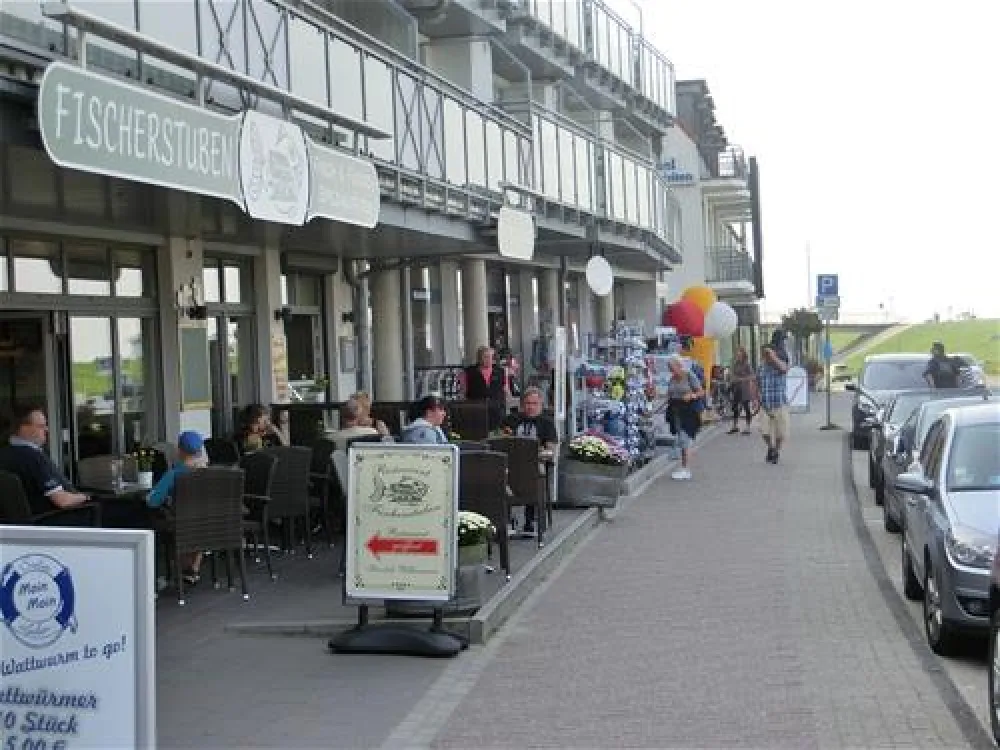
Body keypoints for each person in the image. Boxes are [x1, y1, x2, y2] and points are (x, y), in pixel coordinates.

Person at [0, 404, 90, 517]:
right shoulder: (33, 458)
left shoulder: (4, 453)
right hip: (55, 521)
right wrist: (86, 497)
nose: (46, 429)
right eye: (41, 426)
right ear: (24, 428)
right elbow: (62, 501)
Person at [147, 431, 208, 584]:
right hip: (206, 524)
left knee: (158, 521)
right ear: (200, 451)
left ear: (179, 450)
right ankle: (193, 568)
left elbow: (153, 502)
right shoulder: (209, 474)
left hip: (181, 524)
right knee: (198, 522)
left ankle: (183, 569)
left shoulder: (174, 475)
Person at [501, 387, 559, 534]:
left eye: (534, 403)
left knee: (532, 474)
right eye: (527, 403)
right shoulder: (511, 420)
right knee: (501, 474)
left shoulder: (547, 423)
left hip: (535, 464)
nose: (530, 407)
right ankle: (507, 520)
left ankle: (530, 520)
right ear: (522, 405)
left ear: (541, 404)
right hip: (511, 464)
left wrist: (542, 453)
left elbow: (551, 449)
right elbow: (501, 440)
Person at [664, 355, 705, 480]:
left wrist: (692, 395)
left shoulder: (689, 375)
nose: (671, 370)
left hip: (689, 412)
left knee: (684, 439)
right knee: (682, 439)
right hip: (676, 412)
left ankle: (685, 469)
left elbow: (701, 391)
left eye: (672, 367)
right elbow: (669, 394)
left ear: (679, 365)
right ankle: (684, 468)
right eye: (669, 368)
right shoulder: (672, 379)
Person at [757, 344, 790, 464]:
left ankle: (776, 451)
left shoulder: (781, 365)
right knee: (763, 431)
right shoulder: (761, 367)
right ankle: (771, 448)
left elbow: (784, 369)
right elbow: (757, 383)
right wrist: (756, 398)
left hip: (780, 403)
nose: (766, 357)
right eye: (765, 355)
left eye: (768, 354)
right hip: (765, 405)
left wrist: (773, 356)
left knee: (781, 433)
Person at [463, 346, 510, 431]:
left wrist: (502, 405)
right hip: (477, 409)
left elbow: (505, 389)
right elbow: (464, 391)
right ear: (479, 358)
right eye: (486, 357)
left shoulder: (500, 371)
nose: (489, 360)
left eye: (491, 357)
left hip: (496, 409)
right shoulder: (470, 371)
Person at [727, 346, 756, 435]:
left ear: (743, 355)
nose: (738, 355)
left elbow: (752, 376)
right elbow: (733, 374)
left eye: (739, 354)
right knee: (735, 407)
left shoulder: (747, 364)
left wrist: (742, 379)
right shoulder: (735, 364)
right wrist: (732, 378)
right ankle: (735, 426)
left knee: (746, 407)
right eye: (737, 354)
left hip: (744, 388)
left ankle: (748, 427)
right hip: (736, 388)